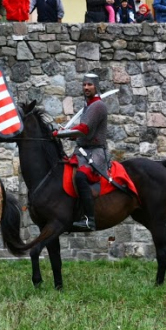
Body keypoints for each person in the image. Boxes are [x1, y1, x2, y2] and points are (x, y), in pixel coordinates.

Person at [52, 73, 108, 232]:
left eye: (89, 84)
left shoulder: (98, 106)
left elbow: (84, 129)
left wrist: (61, 133)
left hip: (95, 152)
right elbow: (83, 134)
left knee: (81, 176)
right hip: (83, 151)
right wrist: (69, 133)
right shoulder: (88, 106)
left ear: (96, 86)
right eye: (84, 85)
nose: (86, 87)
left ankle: (90, 220)